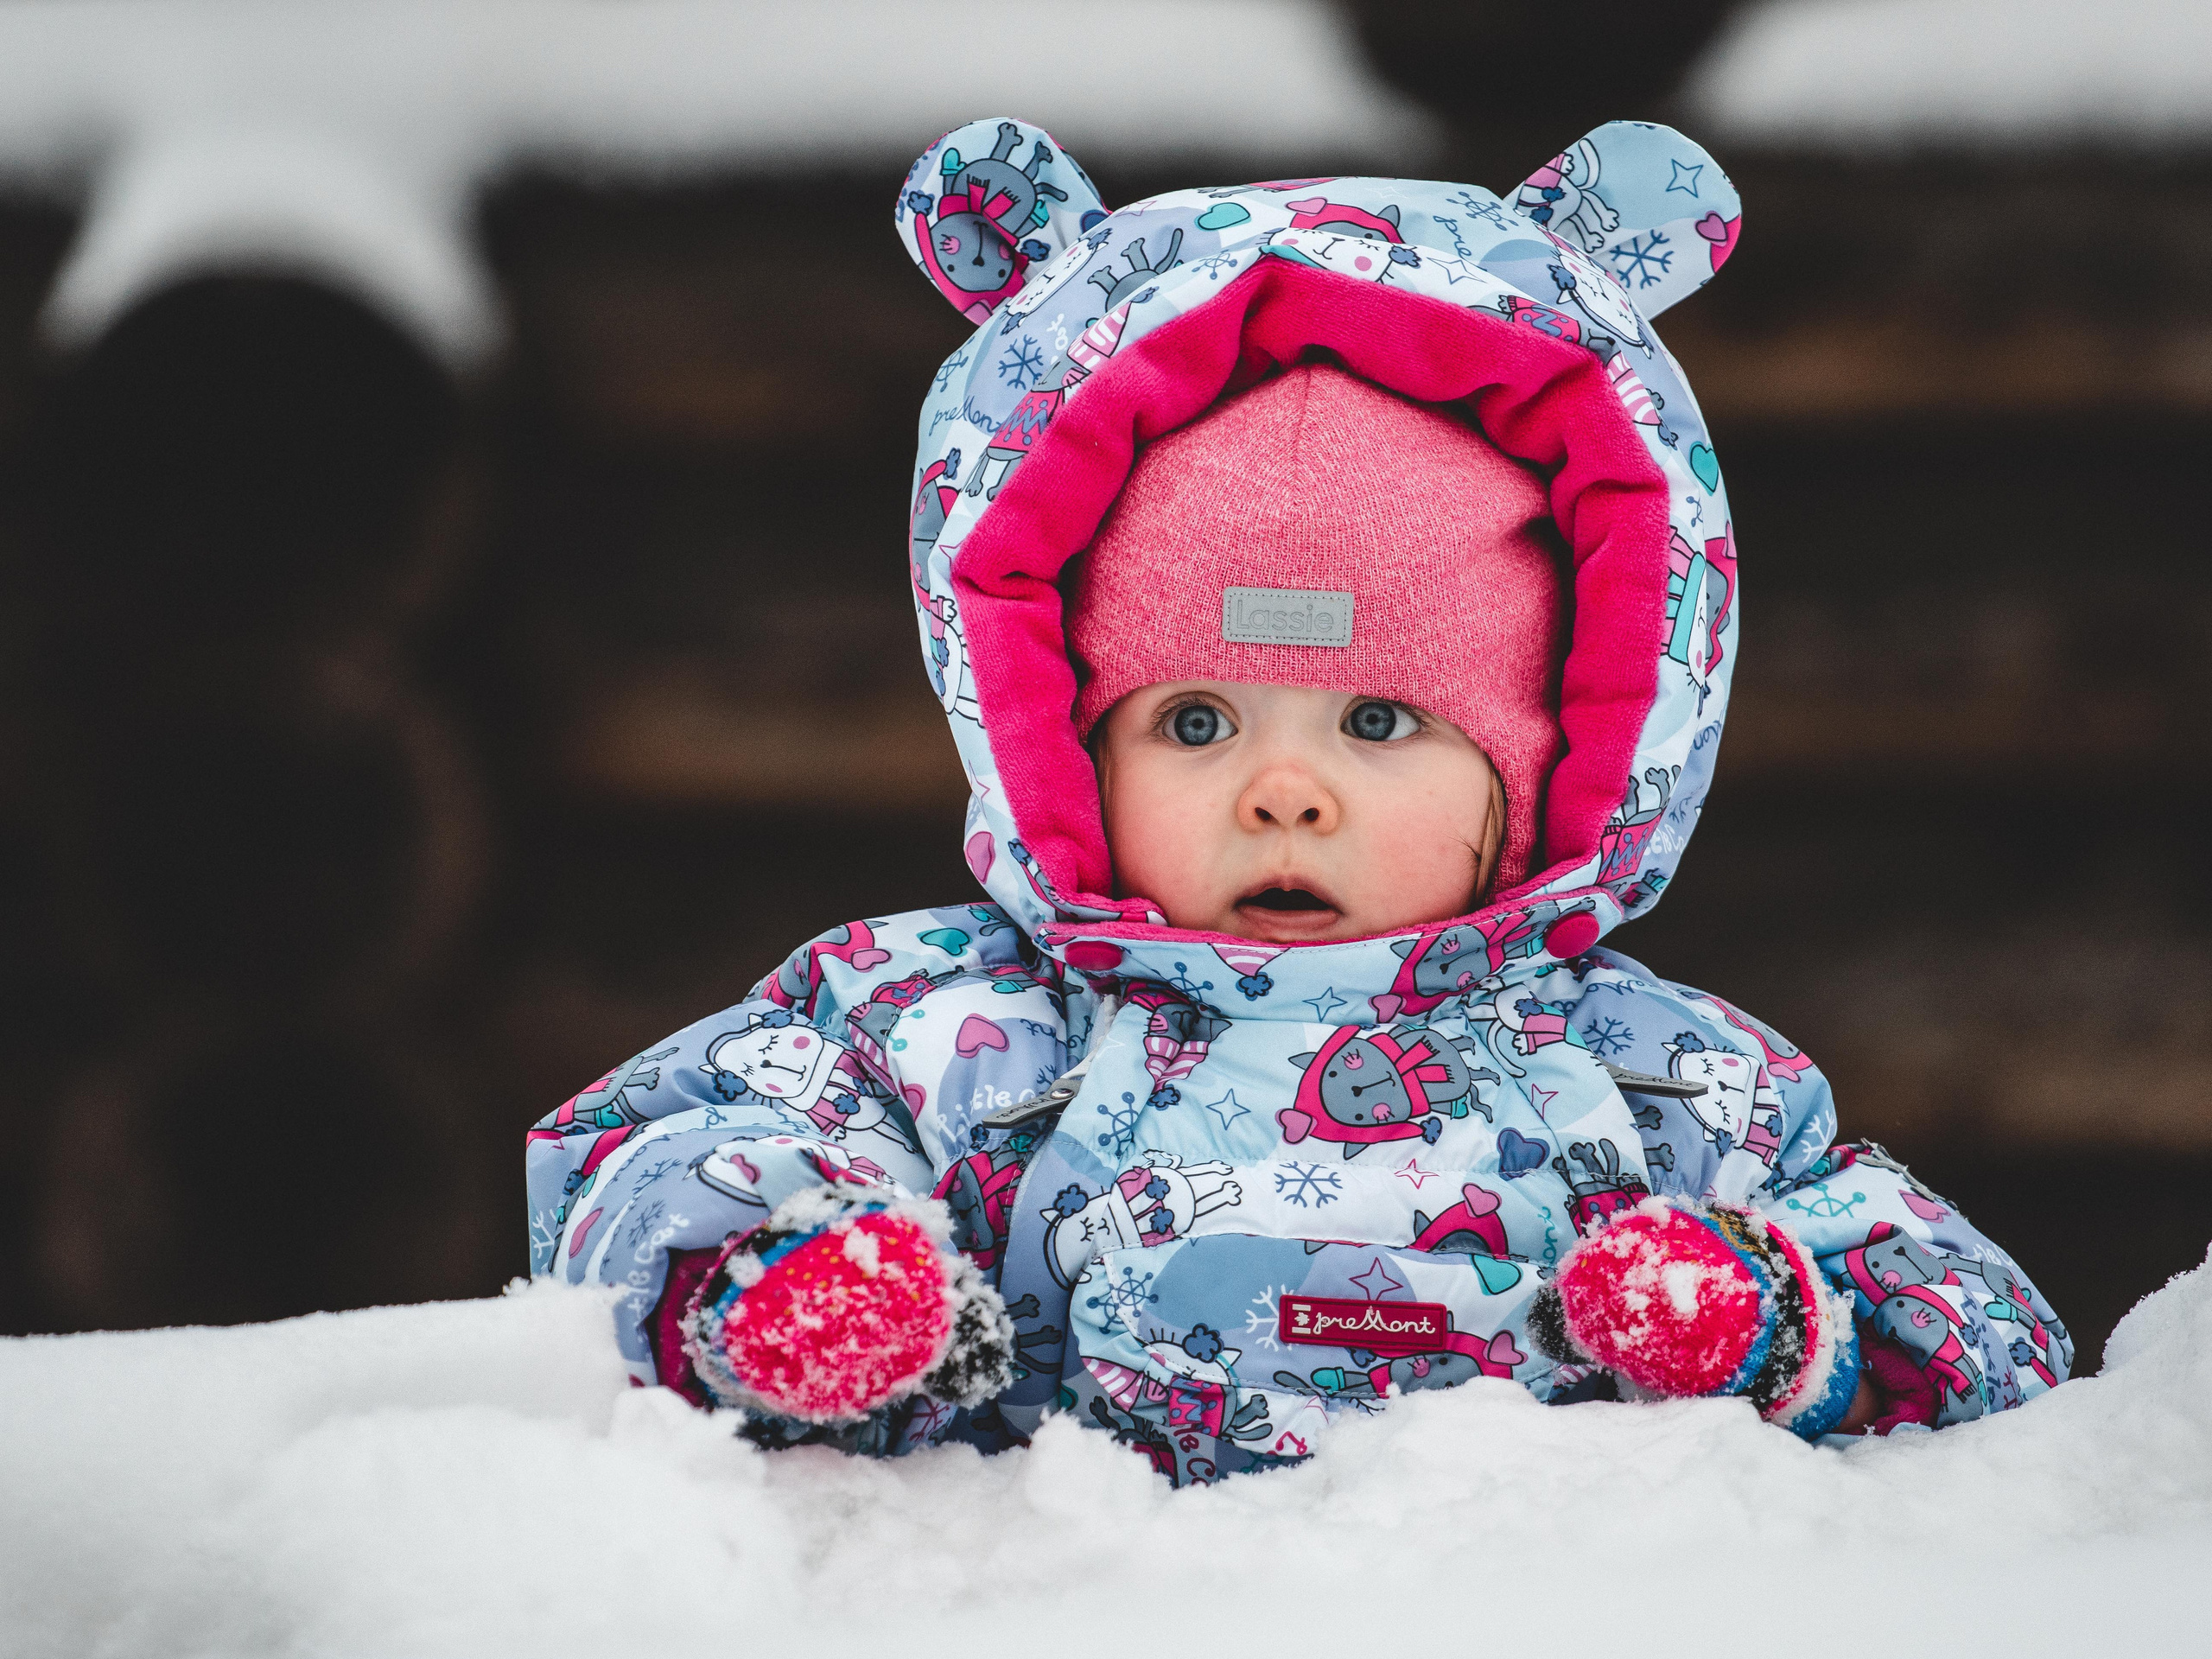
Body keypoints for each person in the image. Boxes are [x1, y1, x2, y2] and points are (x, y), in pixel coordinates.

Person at [525, 117, 2072, 1484]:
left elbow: (1985, 1339)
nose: (1282, 791)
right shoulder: (947, 1038)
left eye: (1381, 721)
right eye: (1194, 719)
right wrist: (790, 1280)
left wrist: (1766, 1316)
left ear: (1539, 778)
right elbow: (650, 1154)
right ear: (1058, 741)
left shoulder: (1659, 1085)